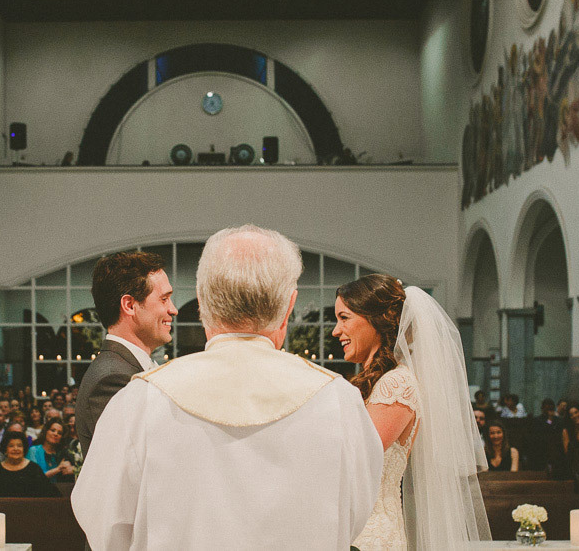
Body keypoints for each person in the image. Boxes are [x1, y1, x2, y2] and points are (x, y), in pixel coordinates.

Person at [72, 225, 382, 550]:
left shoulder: (139, 401)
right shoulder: (338, 399)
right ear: (289, 306)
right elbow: (355, 515)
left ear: (202, 301)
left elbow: (104, 525)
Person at [334, 275, 490, 549]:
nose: (336, 330)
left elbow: (354, 456)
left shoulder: (396, 383)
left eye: (344, 318)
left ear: (376, 320)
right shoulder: (377, 382)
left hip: (371, 537)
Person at [76, 250, 178, 457]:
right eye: (164, 299)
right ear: (130, 305)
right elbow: (141, 461)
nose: (173, 310)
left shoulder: (123, 367)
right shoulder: (112, 379)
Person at [0, 431, 58, 497]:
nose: (16, 449)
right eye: (11, 446)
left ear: (24, 449)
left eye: (19, 446)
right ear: (5, 450)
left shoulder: (34, 469)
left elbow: (47, 493)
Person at [26, 418, 73, 483]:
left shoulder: (62, 454)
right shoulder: (34, 450)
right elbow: (35, 478)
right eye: (53, 430)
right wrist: (58, 469)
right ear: (46, 431)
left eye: (59, 433)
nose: (56, 434)